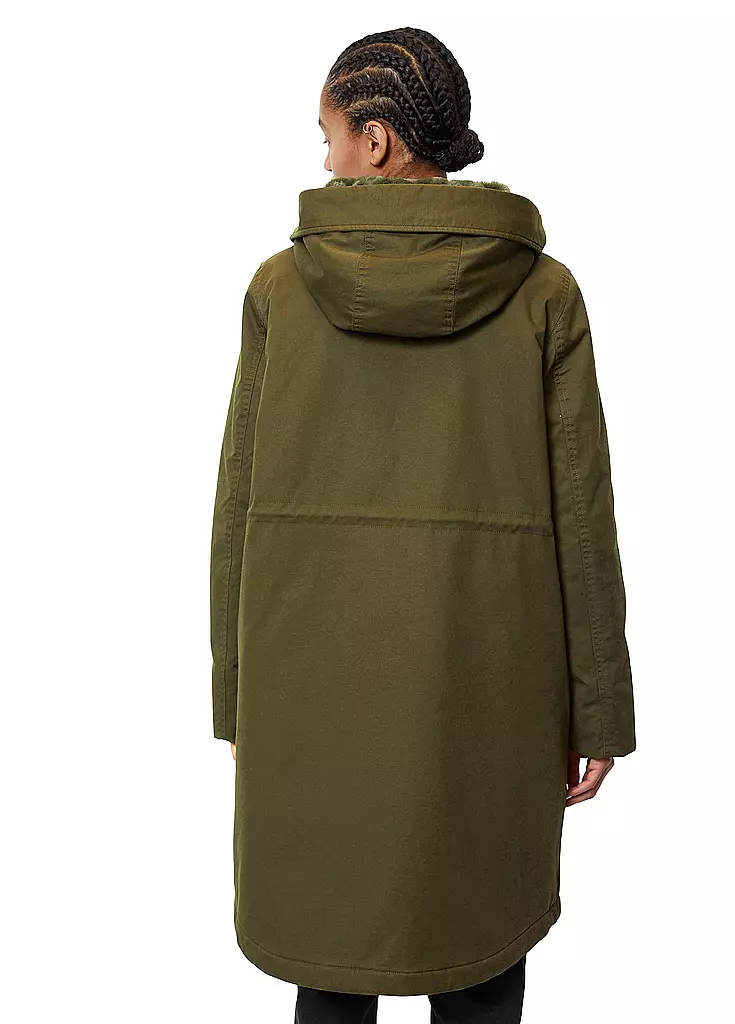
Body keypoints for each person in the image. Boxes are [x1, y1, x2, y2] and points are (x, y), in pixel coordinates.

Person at [209, 25, 636, 1024]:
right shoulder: (542, 291)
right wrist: (597, 707)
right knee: (480, 939)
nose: (322, 159)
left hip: (309, 683)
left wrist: (237, 694)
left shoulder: (281, 290)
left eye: (327, 134)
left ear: (377, 139)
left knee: (331, 943)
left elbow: (238, 504)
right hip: (490, 685)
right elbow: (583, 515)